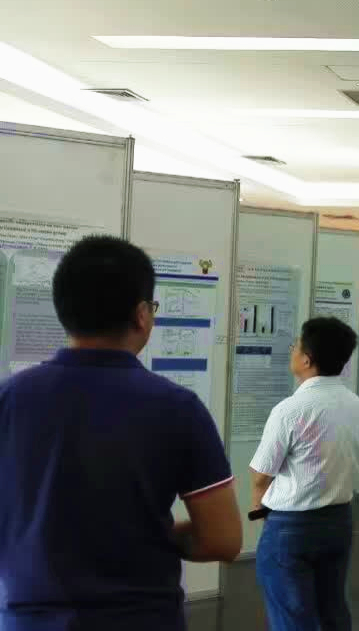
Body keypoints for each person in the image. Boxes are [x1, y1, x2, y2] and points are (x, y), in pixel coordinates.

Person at [0, 236, 240, 631]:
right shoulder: (178, 408)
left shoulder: (9, 399)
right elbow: (223, 539)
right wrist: (152, 533)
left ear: (63, 310)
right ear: (142, 315)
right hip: (141, 618)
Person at [250, 316, 359, 630]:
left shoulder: (290, 409)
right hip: (339, 520)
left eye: (296, 345)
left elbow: (261, 475)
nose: (293, 350)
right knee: (332, 611)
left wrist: (258, 509)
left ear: (307, 359)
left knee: (292, 617)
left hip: (291, 526)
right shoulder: (355, 404)